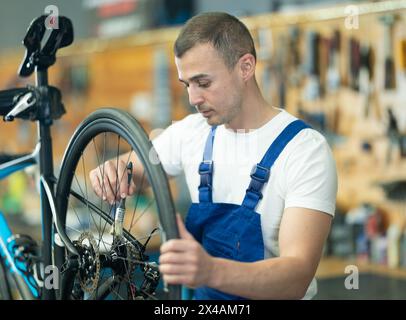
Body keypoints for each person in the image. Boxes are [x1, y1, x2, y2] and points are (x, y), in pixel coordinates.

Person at [89, 12, 337, 300]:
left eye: (203, 83)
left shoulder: (304, 151)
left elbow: (296, 276)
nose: (193, 99)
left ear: (245, 67)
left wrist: (210, 271)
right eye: (187, 85)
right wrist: (117, 168)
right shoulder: (194, 132)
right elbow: (138, 167)